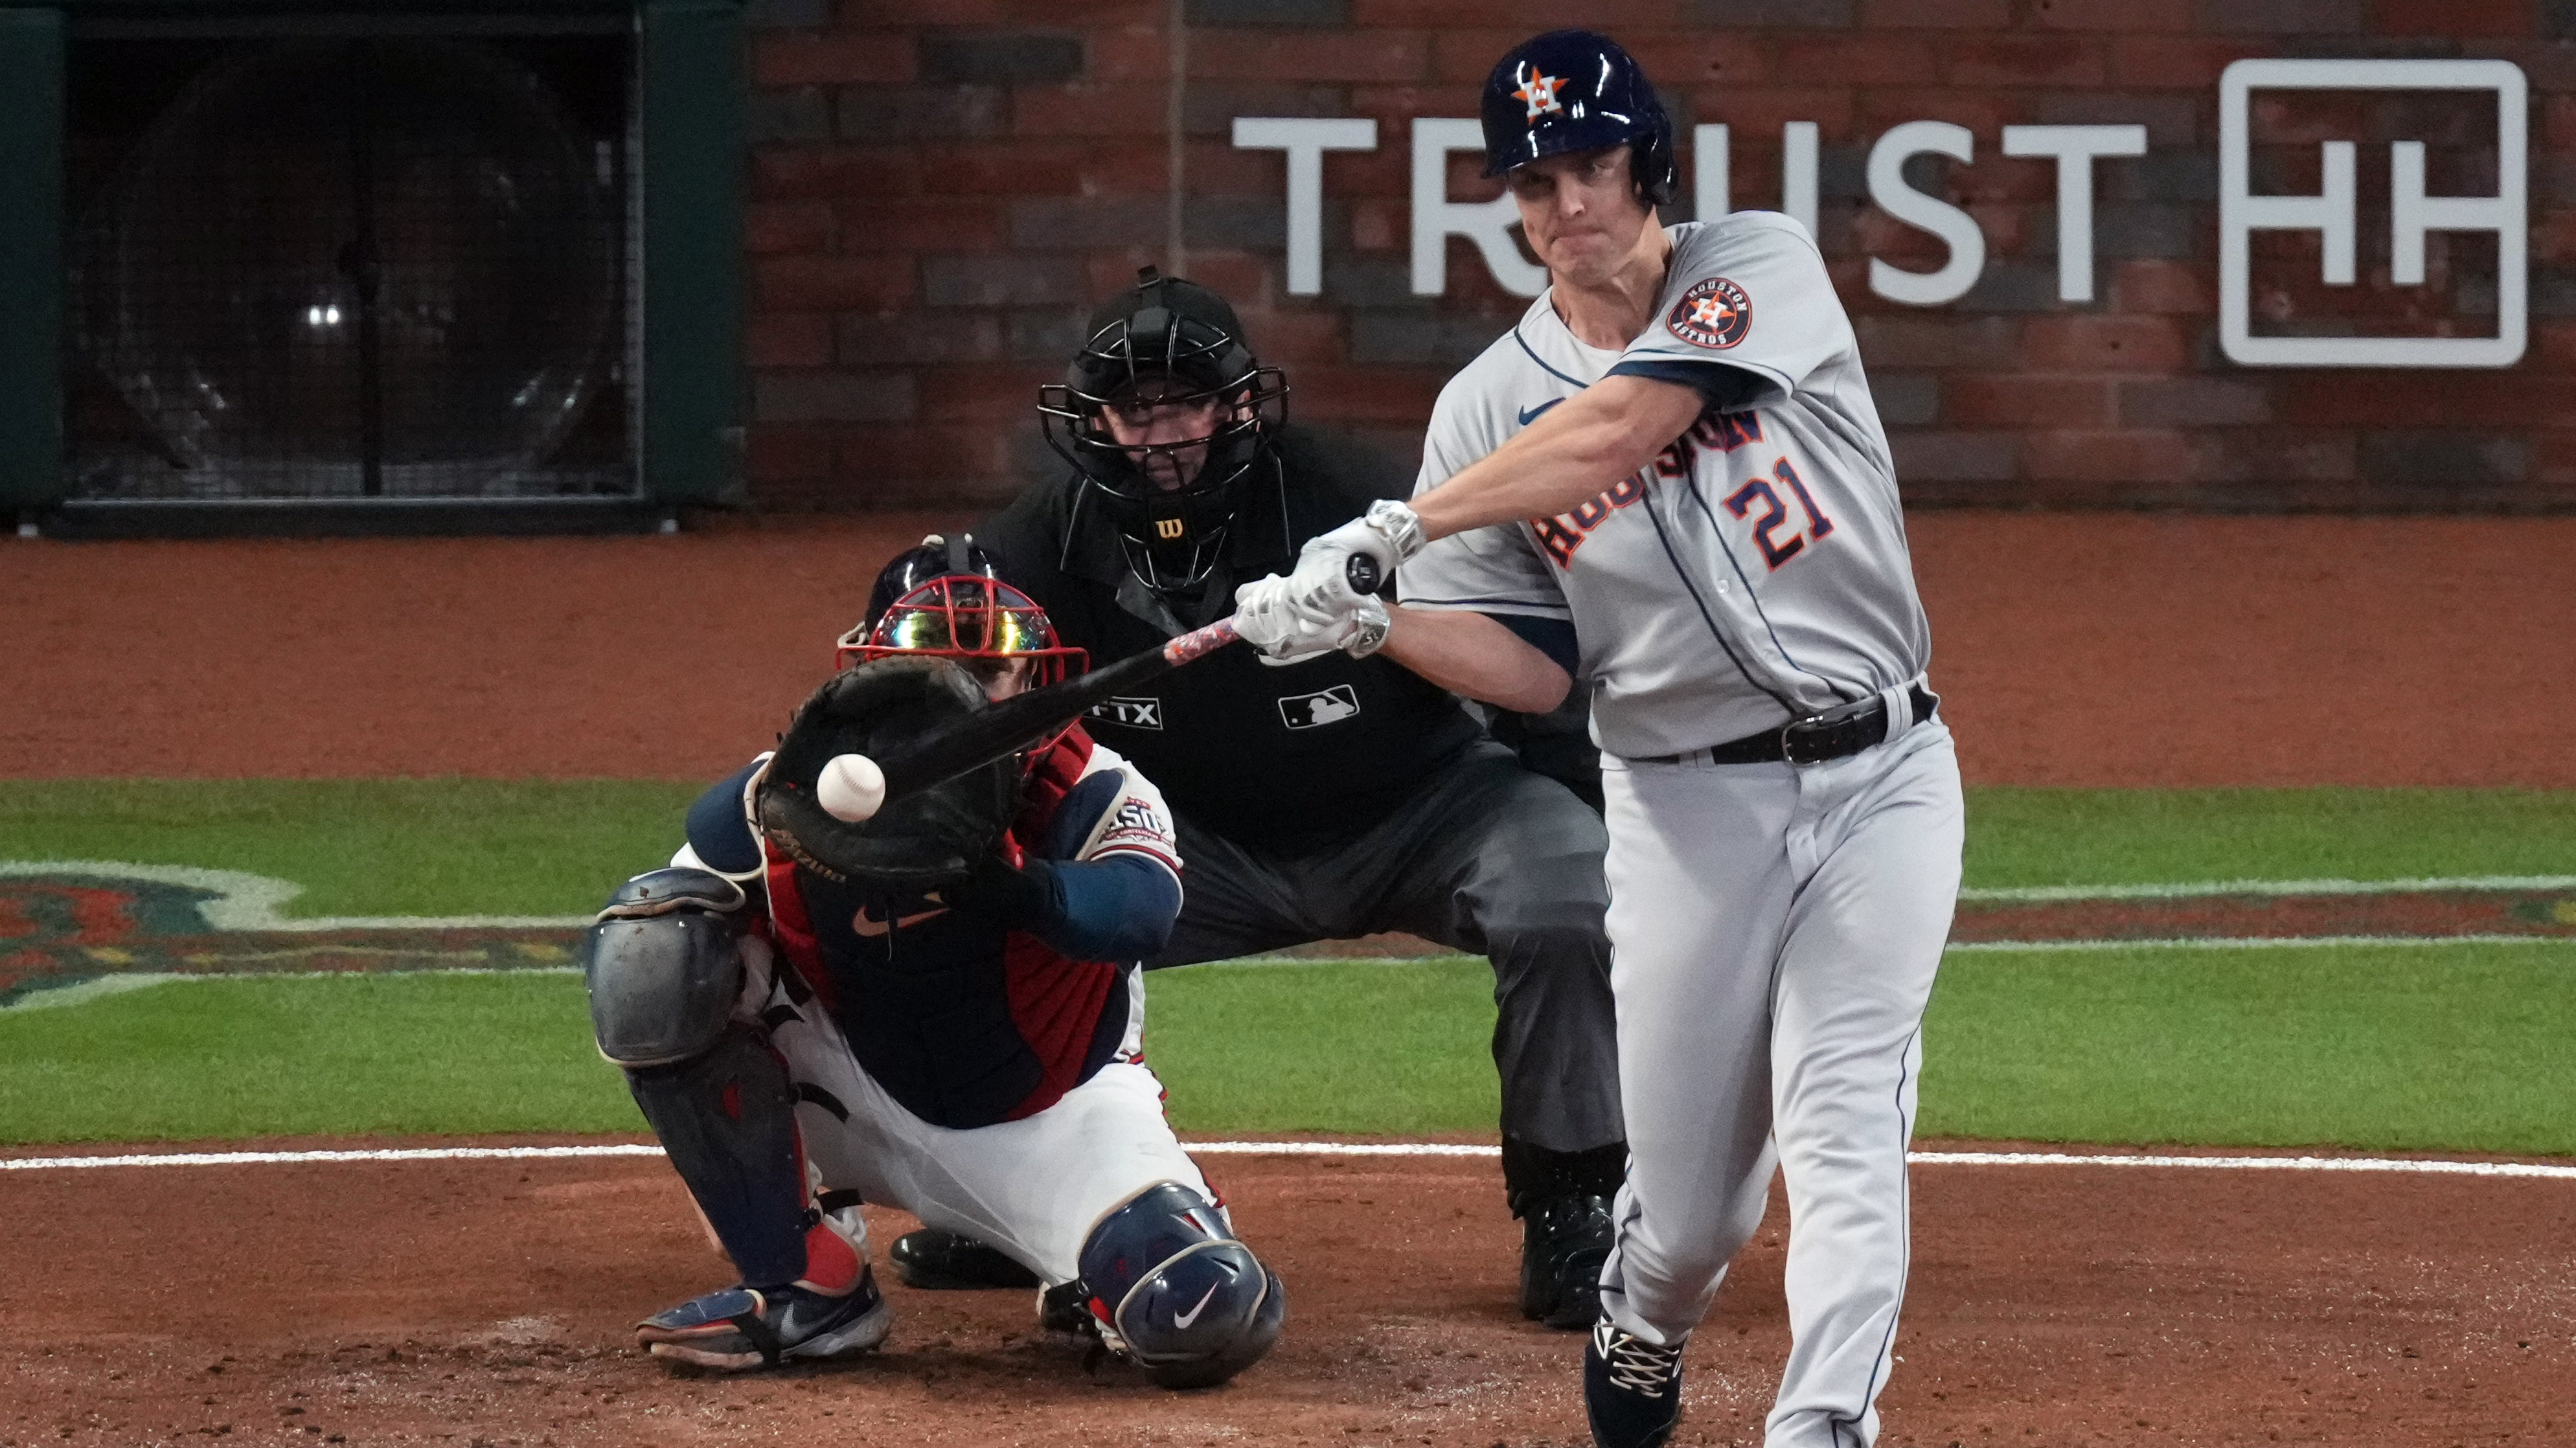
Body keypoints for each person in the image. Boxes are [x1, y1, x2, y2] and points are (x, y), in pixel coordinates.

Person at [1231, 29, 1966, 1448]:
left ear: (1648, 163)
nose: (1567, 203)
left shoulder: (1759, 267)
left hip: (1885, 777)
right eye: (1534, 179)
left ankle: (1822, 1423)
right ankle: (1643, 1310)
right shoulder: (1482, 408)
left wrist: (1400, 526)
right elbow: (1530, 672)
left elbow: (1625, 423)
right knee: (1692, 1215)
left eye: (1591, 166)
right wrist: (1370, 625)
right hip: (1687, 811)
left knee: (1844, 1121)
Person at [883, 267, 1631, 1331]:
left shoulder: (1356, 502)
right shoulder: (1038, 548)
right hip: (1196, 847)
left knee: (1571, 891)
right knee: (1002, 910)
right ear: (1091, 421)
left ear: (1239, 405)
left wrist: (1567, 786)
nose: (1162, 433)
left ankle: (1574, 1203)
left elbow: (1521, 657)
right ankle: (1022, 1201)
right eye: (1133, 409)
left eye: (1185, 402)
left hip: (1422, 809)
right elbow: (981, 718)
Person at [578, 536, 1284, 1388]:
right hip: (845, 1086)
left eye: (989, 669)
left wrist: (1014, 887)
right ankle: (805, 1281)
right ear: (870, 675)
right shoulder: (795, 792)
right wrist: (727, 1166)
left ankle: (1067, 1255)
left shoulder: (1094, 786)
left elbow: (1138, 914)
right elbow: (654, 928)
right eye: (931, 667)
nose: (964, 693)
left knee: (1206, 1313)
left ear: (1030, 681)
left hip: (1050, 1122)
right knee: (656, 946)